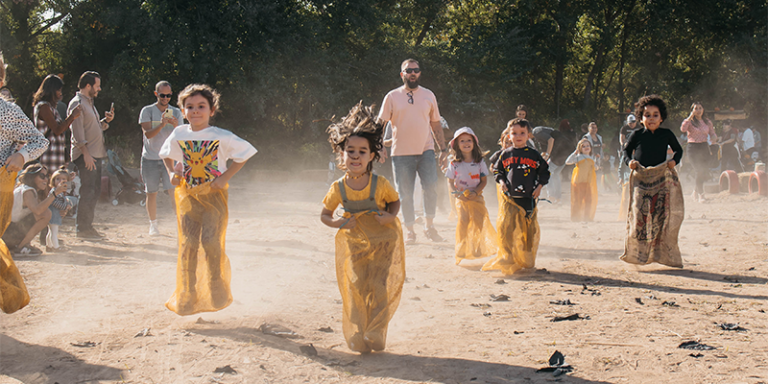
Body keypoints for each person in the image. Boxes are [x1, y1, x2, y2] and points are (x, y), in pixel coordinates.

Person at [159, 84, 257, 316]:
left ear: (211, 110)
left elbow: (246, 153)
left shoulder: (221, 136)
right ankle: (187, 292)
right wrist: (173, 172)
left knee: (211, 242)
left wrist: (225, 177)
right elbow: (166, 154)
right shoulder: (179, 133)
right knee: (188, 245)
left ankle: (216, 285)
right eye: (190, 107)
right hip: (188, 198)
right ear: (182, 111)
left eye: (201, 106)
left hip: (214, 198)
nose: (195, 111)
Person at [320, 102, 404, 354]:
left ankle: (376, 331)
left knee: (378, 285)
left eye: (362, 151)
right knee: (355, 286)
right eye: (350, 151)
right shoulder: (338, 188)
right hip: (353, 245)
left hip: (383, 242)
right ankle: (357, 331)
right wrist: (337, 222)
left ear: (372, 156)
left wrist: (389, 217)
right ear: (342, 154)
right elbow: (324, 214)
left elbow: (395, 202)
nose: (355, 156)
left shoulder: (380, 184)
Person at [377, 58, 447, 244]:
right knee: (405, 193)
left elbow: (435, 124)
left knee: (430, 187)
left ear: (420, 73)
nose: (412, 73)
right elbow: (380, 124)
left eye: (416, 70)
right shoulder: (392, 96)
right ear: (402, 74)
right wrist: (380, 145)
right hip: (400, 153)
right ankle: (409, 230)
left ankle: (429, 227)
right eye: (408, 70)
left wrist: (444, 149)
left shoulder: (428, 95)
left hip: (426, 150)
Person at [0, 53, 47, 314]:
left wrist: (21, 155)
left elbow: (40, 141)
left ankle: (11, 293)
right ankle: (10, 292)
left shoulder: (7, 111)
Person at [621, 95, 684, 268]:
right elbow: (626, 151)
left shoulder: (666, 134)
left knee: (660, 217)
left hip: (661, 180)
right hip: (641, 180)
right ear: (641, 118)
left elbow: (679, 151)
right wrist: (630, 162)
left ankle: (661, 254)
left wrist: (673, 161)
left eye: (655, 115)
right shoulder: (637, 134)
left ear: (661, 117)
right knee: (639, 215)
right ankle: (637, 254)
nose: (651, 118)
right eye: (647, 115)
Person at [483, 118, 549, 275]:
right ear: (508, 136)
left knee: (528, 230)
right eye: (514, 133)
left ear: (528, 135)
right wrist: (501, 182)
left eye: (522, 133)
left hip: (528, 198)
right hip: (510, 199)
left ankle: (526, 259)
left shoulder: (534, 155)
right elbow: (497, 171)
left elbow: (545, 172)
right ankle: (508, 257)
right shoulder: (505, 154)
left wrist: (539, 187)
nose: (518, 136)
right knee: (507, 228)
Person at [68, 71, 114, 238]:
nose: (99, 89)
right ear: (88, 86)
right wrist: (86, 155)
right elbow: (78, 134)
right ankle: (82, 228)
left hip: (95, 154)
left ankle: (87, 226)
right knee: (88, 191)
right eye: (97, 86)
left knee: (94, 191)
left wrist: (105, 122)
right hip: (87, 155)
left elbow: (92, 128)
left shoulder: (89, 103)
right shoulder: (77, 104)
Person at [444, 127, 497, 265]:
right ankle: (461, 247)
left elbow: (484, 181)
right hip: (461, 198)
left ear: (474, 143)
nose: (466, 143)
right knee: (463, 221)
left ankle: (477, 246)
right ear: (456, 144)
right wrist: (456, 194)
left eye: (469, 140)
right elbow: (449, 181)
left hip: (476, 197)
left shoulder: (479, 162)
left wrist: (476, 192)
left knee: (479, 221)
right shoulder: (454, 163)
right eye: (462, 141)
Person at [139, 80, 182, 236]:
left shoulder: (176, 112)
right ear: (156, 94)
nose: (165, 98)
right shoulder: (147, 111)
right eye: (162, 95)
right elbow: (148, 134)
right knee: (151, 193)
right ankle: (153, 225)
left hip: (169, 158)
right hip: (150, 158)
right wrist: (162, 125)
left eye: (169, 95)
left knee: (174, 192)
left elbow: (182, 137)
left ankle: (180, 224)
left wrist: (176, 126)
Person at [2, 164, 67, 255]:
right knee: (46, 213)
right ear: (32, 176)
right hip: (7, 234)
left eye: (47, 176)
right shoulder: (27, 191)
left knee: (46, 212)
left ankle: (20, 245)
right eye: (42, 176)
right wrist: (55, 193)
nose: (45, 179)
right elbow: (38, 210)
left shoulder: (25, 188)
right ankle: (19, 247)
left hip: (7, 233)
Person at [33, 74, 82, 171]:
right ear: (51, 90)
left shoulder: (51, 108)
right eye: (58, 90)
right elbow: (57, 130)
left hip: (56, 156)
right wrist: (72, 116)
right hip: (48, 157)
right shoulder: (43, 107)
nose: (60, 93)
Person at [680, 102, 716, 202]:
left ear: (703, 109)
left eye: (700, 108)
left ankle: (695, 191)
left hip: (704, 147)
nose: (698, 110)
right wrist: (690, 117)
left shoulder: (707, 122)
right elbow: (683, 129)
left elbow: (712, 133)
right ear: (692, 110)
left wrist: (714, 137)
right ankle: (701, 194)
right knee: (698, 170)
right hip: (693, 147)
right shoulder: (689, 121)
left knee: (703, 171)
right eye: (696, 108)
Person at [531, 124, 572, 203]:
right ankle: (558, 198)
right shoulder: (538, 138)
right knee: (555, 174)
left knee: (547, 172)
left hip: (561, 152)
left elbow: (551, 140)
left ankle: (551, 196)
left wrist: (547, 155)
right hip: (566, 151)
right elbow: (544, 151)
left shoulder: (536, 131)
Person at [45, 166, 77, 251]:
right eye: (57, 179)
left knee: (50, 231)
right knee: (54, 232)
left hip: (53, 214)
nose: (60, 181)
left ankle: (49, 246)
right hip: (53, 214)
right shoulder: (55, 191)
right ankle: (56, 247)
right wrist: (65, 206)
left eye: (63, 179)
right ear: (53, 180)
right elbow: (55, 202)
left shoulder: (60, 191)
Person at [566, 139, 598, 222]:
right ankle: (576, 217)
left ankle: (587, 217)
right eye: (583, 146)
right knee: (578, 200)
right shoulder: (579, 157)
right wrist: (574, 153)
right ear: (579, 148)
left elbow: (595, 168)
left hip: (588, 183)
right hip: (579, 182)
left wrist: (598, 160)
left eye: (588, 146)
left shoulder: (591, 158)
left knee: (588, 200)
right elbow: (568, 162)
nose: (586, 147)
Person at [617, 114, 639, 184]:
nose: (631, 124)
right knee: (623, 163)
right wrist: (624, 144)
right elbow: (621, 139)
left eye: (633, 122)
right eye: (630, 123)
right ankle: (621, 179)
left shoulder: (639, 127)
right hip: (627, 149)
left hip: (636, 150)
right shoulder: (624, 128)